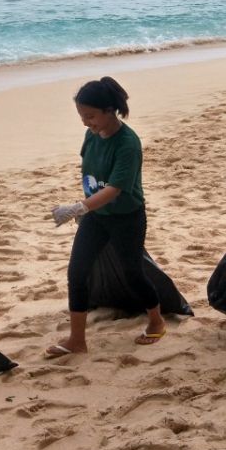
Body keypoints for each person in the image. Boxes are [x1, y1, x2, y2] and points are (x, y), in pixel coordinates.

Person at [46, 77, 165, 358]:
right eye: (82, 116)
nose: (86, 123)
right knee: (77, 272)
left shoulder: (128, 143)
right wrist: (84, 209)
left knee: (132, 273)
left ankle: (157, 321)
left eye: (90, 116)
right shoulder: (91, 135)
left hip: (126, 217)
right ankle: (77, 340)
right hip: (95, 217)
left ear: (110, 110)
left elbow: (114, 189)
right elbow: (91, 174)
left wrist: (78, 208)